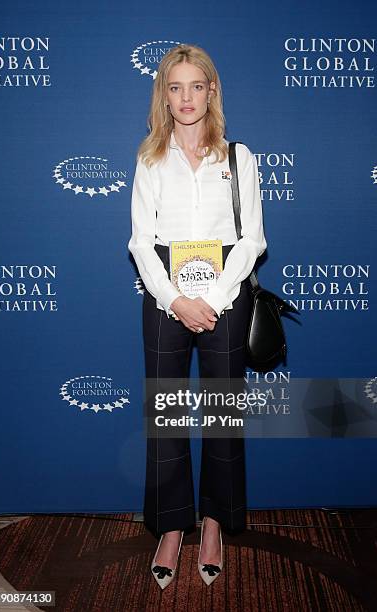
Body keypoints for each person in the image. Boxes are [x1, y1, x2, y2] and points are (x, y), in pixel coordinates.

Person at [127, 43, 267, 589]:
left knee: (223, 416)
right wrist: (175, 300)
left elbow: (252, 239)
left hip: (225, 292)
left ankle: (213, 523)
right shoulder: (149, 159)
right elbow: (141, 244)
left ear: (212, 91)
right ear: (164, 94)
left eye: (197, 86)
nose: (186, 98)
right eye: (175, 87)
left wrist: (218, 295)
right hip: (166, 292)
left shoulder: (239, 158)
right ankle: (170, 525)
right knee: (165, 419)